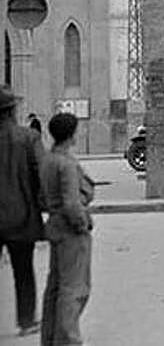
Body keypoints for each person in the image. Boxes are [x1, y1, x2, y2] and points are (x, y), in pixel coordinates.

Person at [40, 112, 94, 346]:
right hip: (71, 231)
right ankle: (68, 340)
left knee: (56, 287)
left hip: (55, 226)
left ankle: (51, 338)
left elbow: (42, 197)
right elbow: (72, 203)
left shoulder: (48, 160)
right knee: (74, 289)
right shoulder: (66, 164)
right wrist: (82, 224)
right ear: (71, 134)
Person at [0, 85, 45, 337]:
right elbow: (41, 175)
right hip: (22, 216)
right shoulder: (28, 138)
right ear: (12, 111)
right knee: (23, 272)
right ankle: (26, 320)